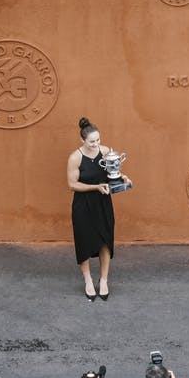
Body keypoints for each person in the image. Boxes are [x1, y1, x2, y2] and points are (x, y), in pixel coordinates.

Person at [67, 116, 131, 301]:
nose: (96, 144)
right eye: (92, 141)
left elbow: (113, 172)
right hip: (83, 205)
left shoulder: (105, 151)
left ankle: (103, 280)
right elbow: (72, 185)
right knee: (84, 242)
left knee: (105, 241)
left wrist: (123, 177)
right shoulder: (75, 157)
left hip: (103, 203)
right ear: (83, 140)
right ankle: (88, 280)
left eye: (98, 140)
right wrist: (95, 187)